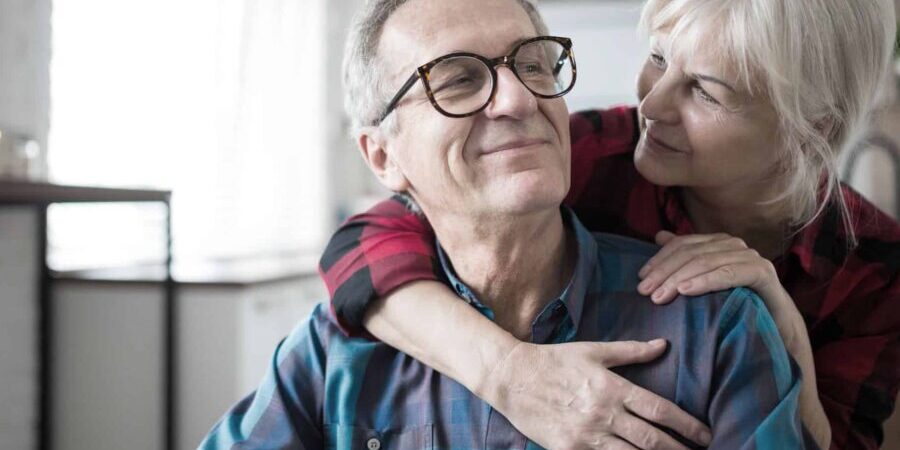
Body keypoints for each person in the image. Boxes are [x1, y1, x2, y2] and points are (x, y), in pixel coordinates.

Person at [201, 0, 817, 448]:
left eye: (534, 64)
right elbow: (353, 248)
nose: (519, 99)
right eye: (458, 80)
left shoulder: (719, 329)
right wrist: (506, 372)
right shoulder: (334, 352)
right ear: (382, 156)